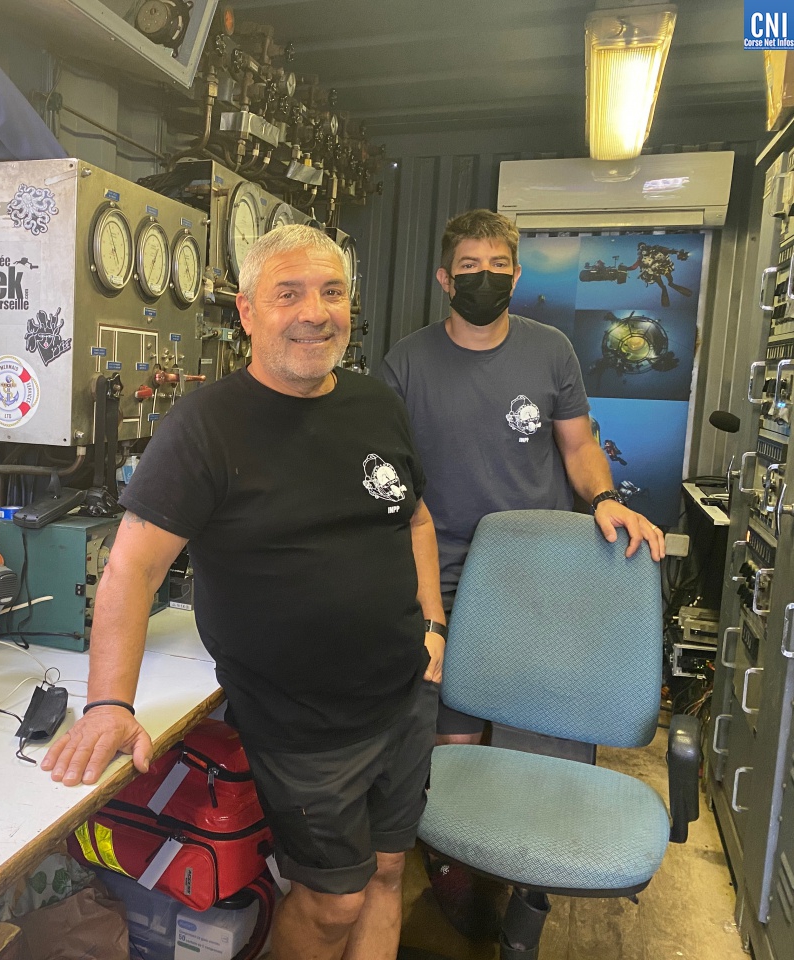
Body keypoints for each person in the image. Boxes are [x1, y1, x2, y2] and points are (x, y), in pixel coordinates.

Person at [43, 225, 445, 960]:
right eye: (288, 293)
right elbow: (131, 569)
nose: (314, 313)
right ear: (247, 312)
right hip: (302, 723)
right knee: (332, 902)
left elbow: (415, 518)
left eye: (331, 292)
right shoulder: (206, 427)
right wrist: (108, 704)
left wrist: (434, 626)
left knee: (389, 872)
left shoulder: (376, 404)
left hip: (404, 694)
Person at [379, 209, 665, 748]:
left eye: (497, 264)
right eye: (469, 265)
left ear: (515, 277)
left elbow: (579, 445)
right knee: (453, 740)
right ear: (445, 279)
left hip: (536, 564)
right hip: (444, 570)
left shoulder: (551, 350)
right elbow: (391, 481)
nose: (484, 276)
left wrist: (605, 498)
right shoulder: (406, 364)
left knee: (537, 732)